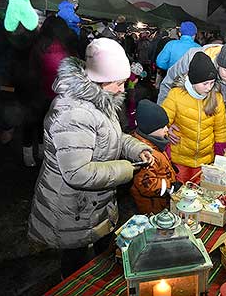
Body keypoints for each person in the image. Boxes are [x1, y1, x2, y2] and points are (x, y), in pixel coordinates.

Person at [27, 38, 154, 278]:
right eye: (119, 83)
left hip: (94, 200)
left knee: (97, 261)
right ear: (101, 79)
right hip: (71, 206)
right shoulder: (74, 112)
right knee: (75, 267)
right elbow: (77, 173)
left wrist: (137, 148)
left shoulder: (101, 100)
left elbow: (112, 137)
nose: (122, 88)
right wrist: (128, 168)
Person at [161, 52, 226, 183]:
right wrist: (166, 130)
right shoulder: (176, 95)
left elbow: (220, 129)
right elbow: (162, 120)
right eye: (205, 84)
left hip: (205, 160)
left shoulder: (217, 99)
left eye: (212, 83)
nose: (209, 88)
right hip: (179, 159)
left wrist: (220, 154)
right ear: (193, 81)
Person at [23, 16, 78, 166]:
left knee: (31, 124)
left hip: (35, 91)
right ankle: (42, 152)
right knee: (46, 125)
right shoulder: (66, 48)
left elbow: (31, 68)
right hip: (55, 95)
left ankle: (28, 155)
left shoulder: (37, 45)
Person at [130, 99, 180, 214]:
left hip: (161, 202)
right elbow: (147, 185)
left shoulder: (156, 143)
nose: (167, 129)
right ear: (150, 129)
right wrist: (170, 186)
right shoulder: (146, 155)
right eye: (162, 127)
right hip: (152, 207)